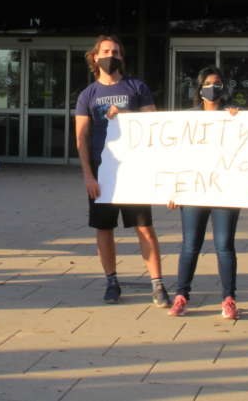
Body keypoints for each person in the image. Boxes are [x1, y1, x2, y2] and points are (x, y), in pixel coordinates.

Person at [74, 34, 169, 307]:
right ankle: (112, 282)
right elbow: (81, 137)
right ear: (95, 57)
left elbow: (154, 122)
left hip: (133, 168)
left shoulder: (136, 87)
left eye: (115, 51)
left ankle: (157, 283)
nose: (110, 56)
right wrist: (88, 175)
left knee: (144, 227)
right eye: (105, 51)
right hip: (102, 169)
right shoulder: (87, 95)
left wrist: (128, 115)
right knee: (104, 229)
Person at [166, 66, 242, 320]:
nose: (213, 88)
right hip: (194, 190)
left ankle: (229, 298)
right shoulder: (187, 119)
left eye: (217, 83)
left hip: (225, 191)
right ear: (199, 89)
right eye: (208, 83)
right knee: (190, 246)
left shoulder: (234, 117)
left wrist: (238, 121)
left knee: (224, 245)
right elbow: (173, 157)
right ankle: (181, 295)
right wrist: (172, 189)